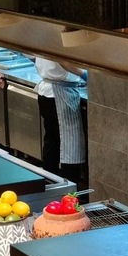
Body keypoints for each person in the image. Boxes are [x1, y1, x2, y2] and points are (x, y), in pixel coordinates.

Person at [33, 57, 89, 190]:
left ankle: (48, 187)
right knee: (70, 146)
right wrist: (84, 74)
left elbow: (30, 54)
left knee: (52, 142)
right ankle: (68, 192)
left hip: (46, 91)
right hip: (59, 93)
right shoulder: (61, 42)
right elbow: (64, 62)